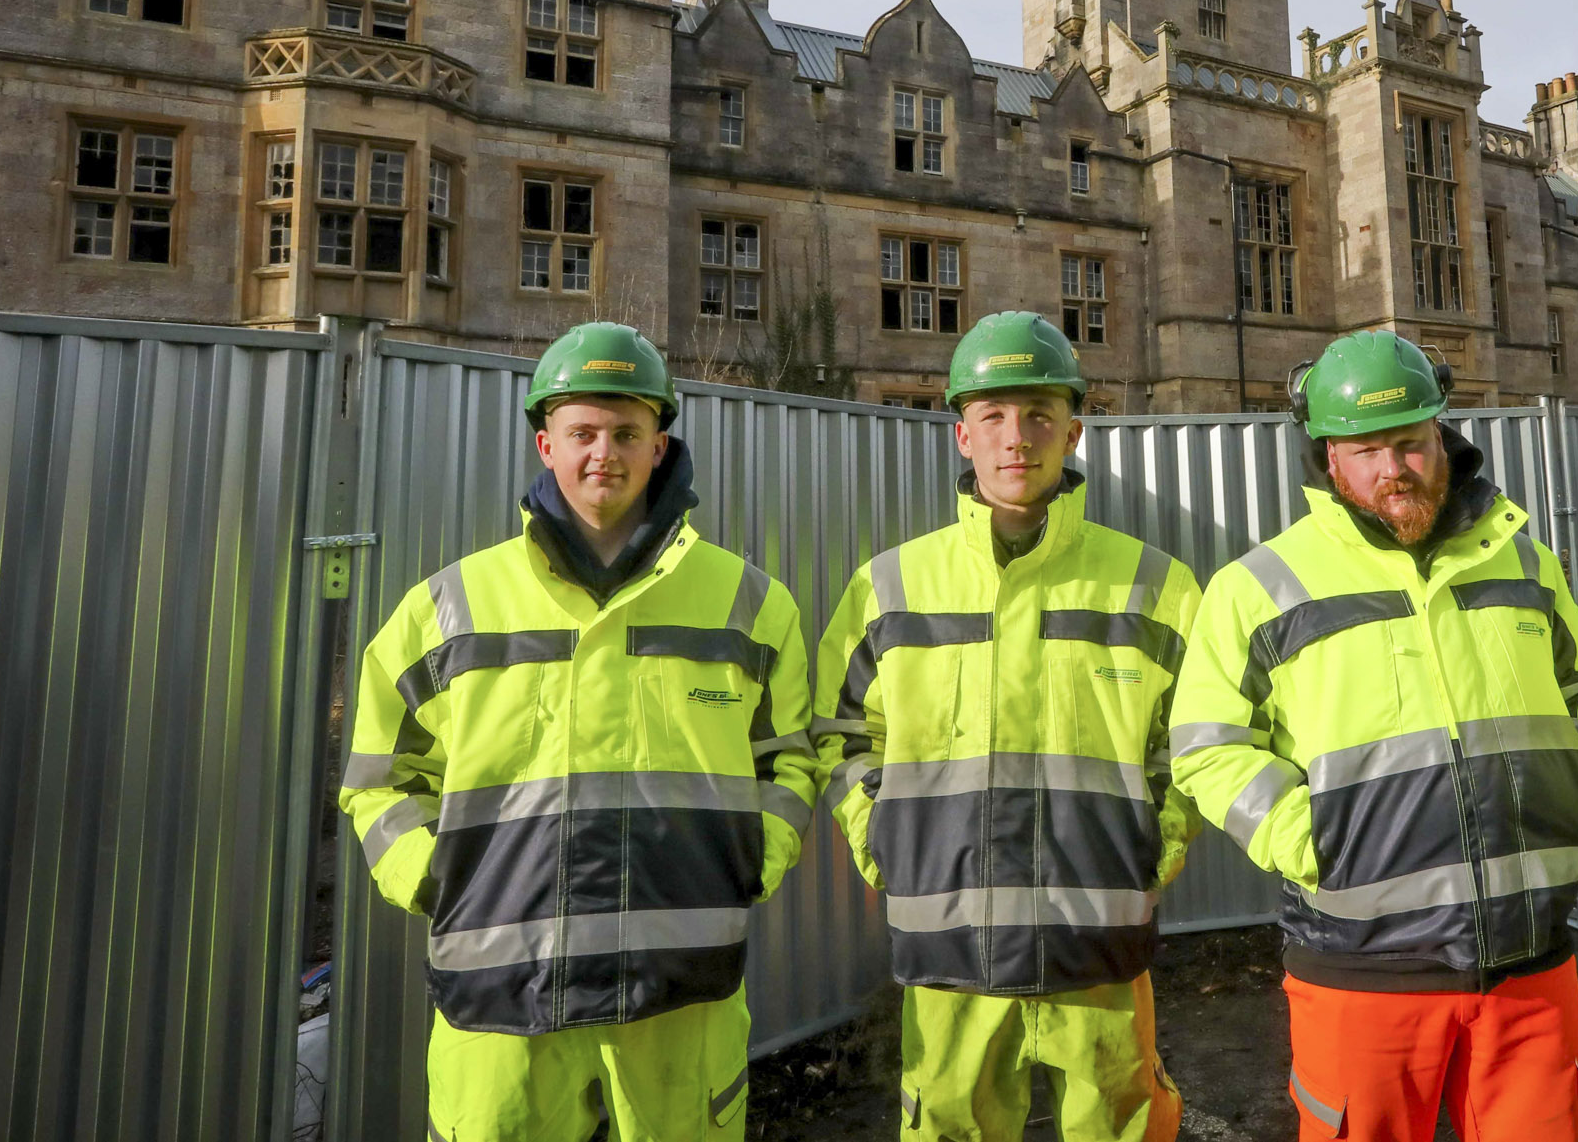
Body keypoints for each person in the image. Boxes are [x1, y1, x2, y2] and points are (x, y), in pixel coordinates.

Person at [340, 322, 819, 1141]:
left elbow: (790, 760)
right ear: (545, 443)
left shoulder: (749, 603)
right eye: (583, 432)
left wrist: (749, 858)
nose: (606, 452)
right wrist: (438, 878)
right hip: (500, 990)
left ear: (660, 446)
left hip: (680, 989)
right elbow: (380, 775)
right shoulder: (448, 606)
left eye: (628, 432)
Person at [1171, 331, 1578, 1142]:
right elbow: (1207, 743)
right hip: (1359, 966)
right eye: (1365, 449)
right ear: (1328, 459)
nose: (1392, 469)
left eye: (1409, 443)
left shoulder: (1520, 560)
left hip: (1528, 959)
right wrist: (1309, 837)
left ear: (1441, 436)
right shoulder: (1258, 587)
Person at [812, 312, 1198, 1142]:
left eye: (1036, 414)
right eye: (992, 416)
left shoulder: (1152, 585)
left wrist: (1154, 851)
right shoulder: (890, 586)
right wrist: (881, 841)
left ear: (1072, 429)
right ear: (961, 434)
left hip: (1097, 940)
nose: (1015, 438)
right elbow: (843, 733)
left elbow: (1190, 743)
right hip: (949, 941)